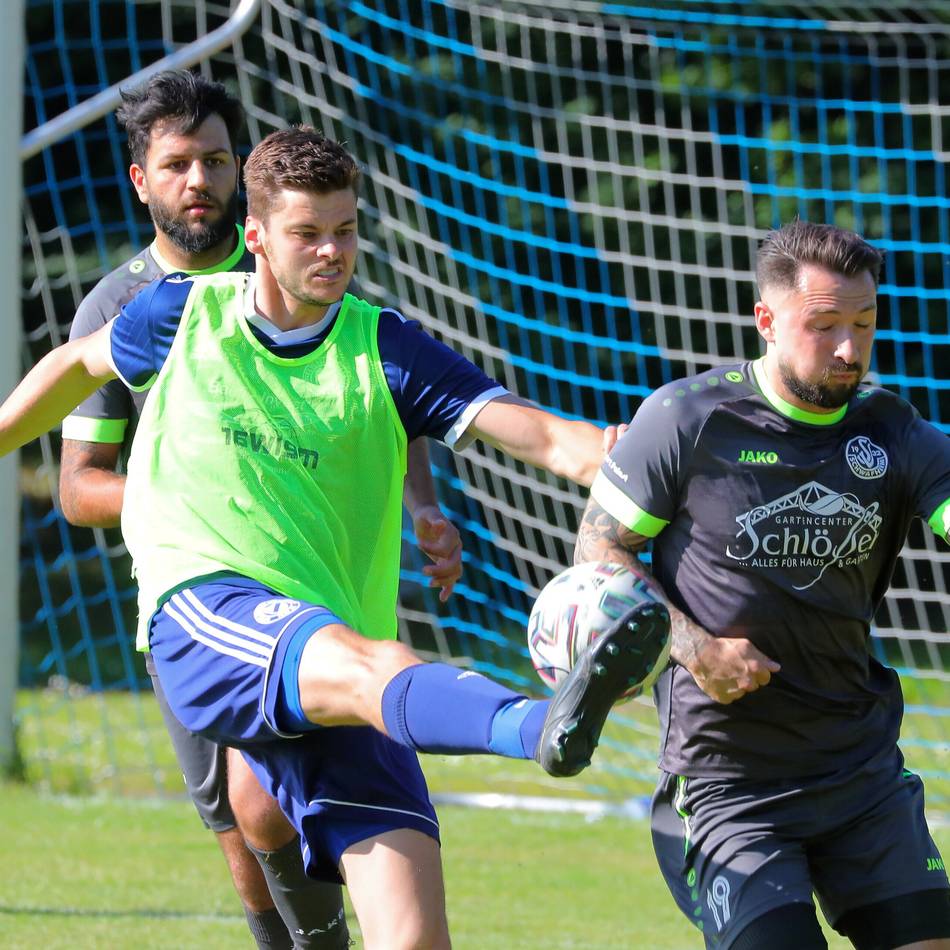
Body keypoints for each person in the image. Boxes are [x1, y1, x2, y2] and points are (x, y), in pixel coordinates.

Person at [4, 125, 669, 947]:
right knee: (372, 668)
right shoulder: (184, 314)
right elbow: (76, 366)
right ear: (255, 239)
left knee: (411, 934)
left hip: (343, 669)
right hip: (206, 615)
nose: (331, 252)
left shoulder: (382, 345)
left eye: (345, 231)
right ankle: (544, 728)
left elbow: (543, 437)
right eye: (307, 234)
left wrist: (647, 459)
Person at [58, 70, 461, 949]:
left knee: (317, 788)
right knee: (239, 818)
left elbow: (383, 391)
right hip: (199, 600)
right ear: (142, 181)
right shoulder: (121, 307)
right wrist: (200, 503)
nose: (196, 180)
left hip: (322, 590)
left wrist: (423, 508)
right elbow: (79, 487)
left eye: (213, 161)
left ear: (241, 175)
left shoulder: (298, 260)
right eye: (175, 165)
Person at [575, 220, 950, 950]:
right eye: (825, 326)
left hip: (859, 772)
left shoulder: (892, 430)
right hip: (728, 785)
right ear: (767, 320)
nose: (849, 348)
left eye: (864, 324)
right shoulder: (687, 418)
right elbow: (600, 547)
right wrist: (694, 648)